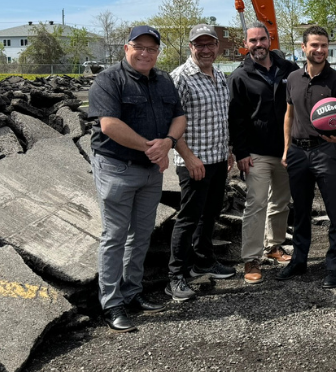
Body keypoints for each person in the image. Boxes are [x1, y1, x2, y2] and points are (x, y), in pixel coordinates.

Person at [87, 25, 186, 332]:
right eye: (139, 47)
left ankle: (132, 292)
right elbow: (109, 125)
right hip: (117, 167)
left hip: (151, 170)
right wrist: (152, 148)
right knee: (115, 236)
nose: (145, 53)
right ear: (126, 48)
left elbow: (179, 116)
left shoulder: (164, 80)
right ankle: (112, 303)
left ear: (158, 52)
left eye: (152, 49)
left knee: (141, 234)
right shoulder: (108, 80)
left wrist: (168, 142)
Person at [277, 25, 336, 289]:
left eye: (324, 45)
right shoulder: (292, 79)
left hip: (324, 151)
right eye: (314, 45)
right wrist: (286, 149)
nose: (320, 50)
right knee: (300, 211)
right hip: (297, 152)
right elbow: (289, 115)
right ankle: (299, 261)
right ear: (303, 47)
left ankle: (334, 266)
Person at [166, 24, 236, 303]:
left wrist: (228, 150)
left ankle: (203, 261)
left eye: (210, 44)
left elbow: (221, 117)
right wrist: (188, 157)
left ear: (217, 47)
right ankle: (175, 276)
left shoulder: (219, 75)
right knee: (188, 217)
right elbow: (171, 123)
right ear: (191, 47)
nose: (205, 50)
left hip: (217, 159)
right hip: (194, 161)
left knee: (210, 214)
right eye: (200, 45)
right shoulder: (180, 78)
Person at [228, 23, 299, 285]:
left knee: (281, 201)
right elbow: (235, 119)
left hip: (286, 151)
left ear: (270, 40)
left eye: (262, 39)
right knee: (256, 203)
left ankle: (273, 246)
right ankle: (251, 258)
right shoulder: (239, 77)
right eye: (253, 41)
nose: (258, 44)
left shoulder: (289, 69)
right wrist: (241, 152)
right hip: (256, 153)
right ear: (246, 45)